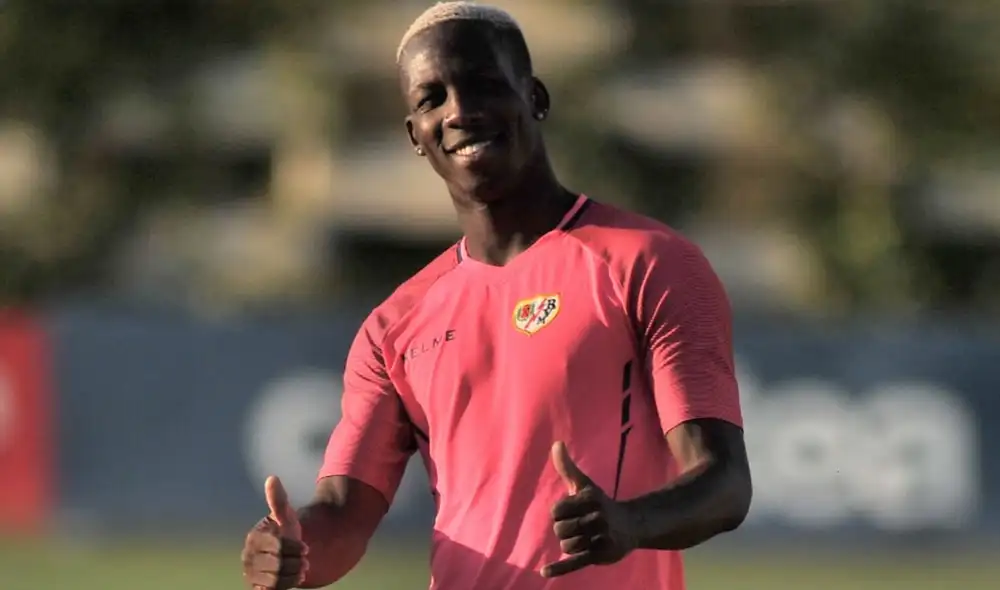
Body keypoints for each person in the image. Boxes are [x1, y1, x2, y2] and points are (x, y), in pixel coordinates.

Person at [241, 2, 752, 589]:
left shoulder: (649, 263)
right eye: (432, 98)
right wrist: (291, 549)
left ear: (535, 97)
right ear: (415, 134)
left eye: (484, 84)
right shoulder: (394, 326)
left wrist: (630, 523)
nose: (460, 111)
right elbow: (342, 513)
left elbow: (724, 484)